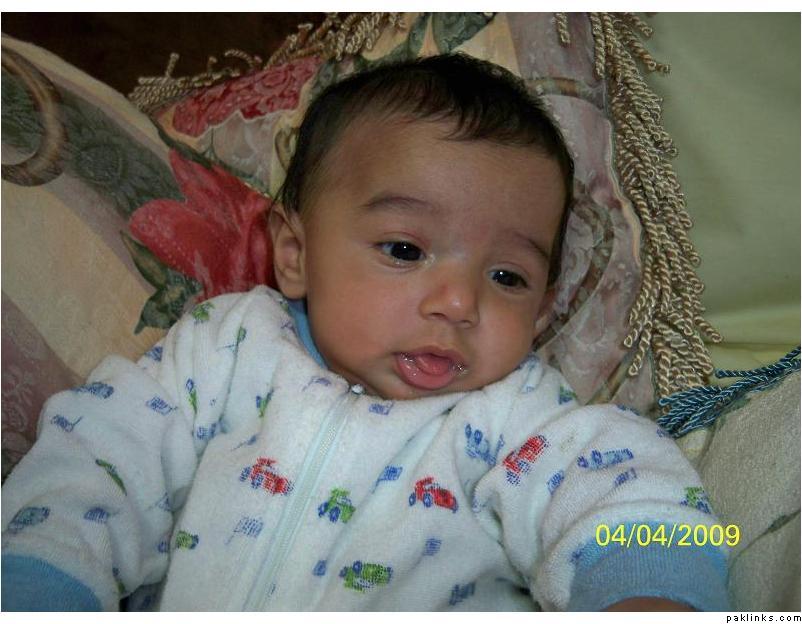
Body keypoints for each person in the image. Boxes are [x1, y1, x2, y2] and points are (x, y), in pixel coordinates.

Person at [1, 54, 729, 611]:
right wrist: (42, 586)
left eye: (508, 276)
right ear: (295, 254)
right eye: (405, 250)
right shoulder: (227, 348)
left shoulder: (518, 416)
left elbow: (622, 490)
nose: (459, 302)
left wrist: (646, 590)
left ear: (542, 311)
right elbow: (100, 462)